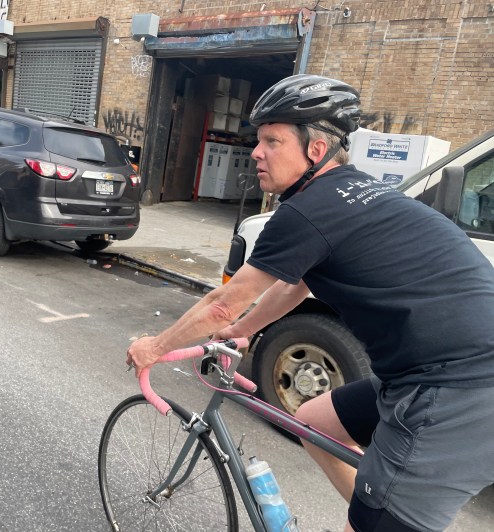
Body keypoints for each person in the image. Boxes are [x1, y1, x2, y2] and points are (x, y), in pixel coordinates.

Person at [126, 74, 494, 532]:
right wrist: (243, 330)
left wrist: (155, 347)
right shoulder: (356, 193)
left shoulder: (304, 211)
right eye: (257, 140)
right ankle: (379, 506)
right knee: (313, 422)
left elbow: (222, 303)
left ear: (315, 152)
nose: (256, 152)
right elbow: (296, 284)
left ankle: (382, 514)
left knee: (375, 521)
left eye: (272, 141)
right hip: (427, 374)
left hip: (459, 393)